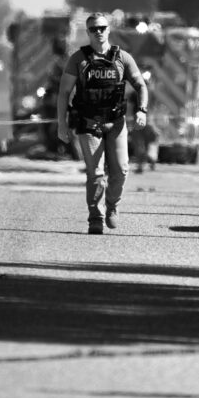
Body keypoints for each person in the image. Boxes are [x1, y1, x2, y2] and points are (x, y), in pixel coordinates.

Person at [57, 13, 148, 234]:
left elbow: (140, 85)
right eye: (93, 29)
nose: (98, 32)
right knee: (96, 174)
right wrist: (62, 124)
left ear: (109, 30)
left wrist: (142, 109)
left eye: (102, 28)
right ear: (88, 32)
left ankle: (112, 206)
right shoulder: (78, 59)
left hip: (116, 123)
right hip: (89, 124)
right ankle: (95, 217)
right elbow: (64, 92)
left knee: (121, 170)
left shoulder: (122, 57)